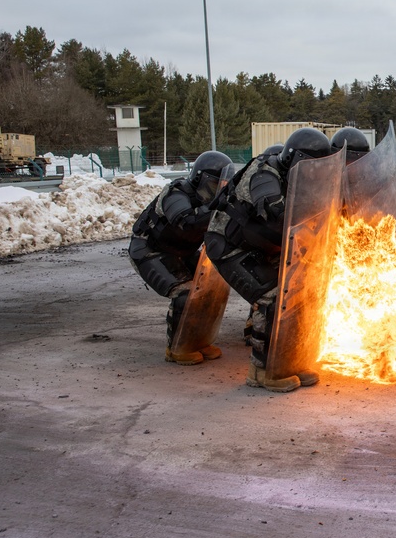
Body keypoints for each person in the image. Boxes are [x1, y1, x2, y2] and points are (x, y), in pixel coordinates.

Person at [205, 127, 333, 392]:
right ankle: (263, 371)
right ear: (292, 158)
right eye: (308, 165)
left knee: (302, 293)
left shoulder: (299, 179)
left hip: (260, 246)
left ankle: (291, 362)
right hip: (229, 246)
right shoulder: (266, 172)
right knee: (273, 297)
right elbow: (273, 209)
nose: (312, 172)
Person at [128, 150, 233, 365]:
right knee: (184, 293)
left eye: (221, 188)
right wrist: (217, 207)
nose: (217, 193)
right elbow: (186, 221)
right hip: (149, 250)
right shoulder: (177, 194)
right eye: (214, 187)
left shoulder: (205, 201)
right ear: (199, 179)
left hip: (181, 251)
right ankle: (177, 347)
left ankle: (199, 341)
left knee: (211, 288)